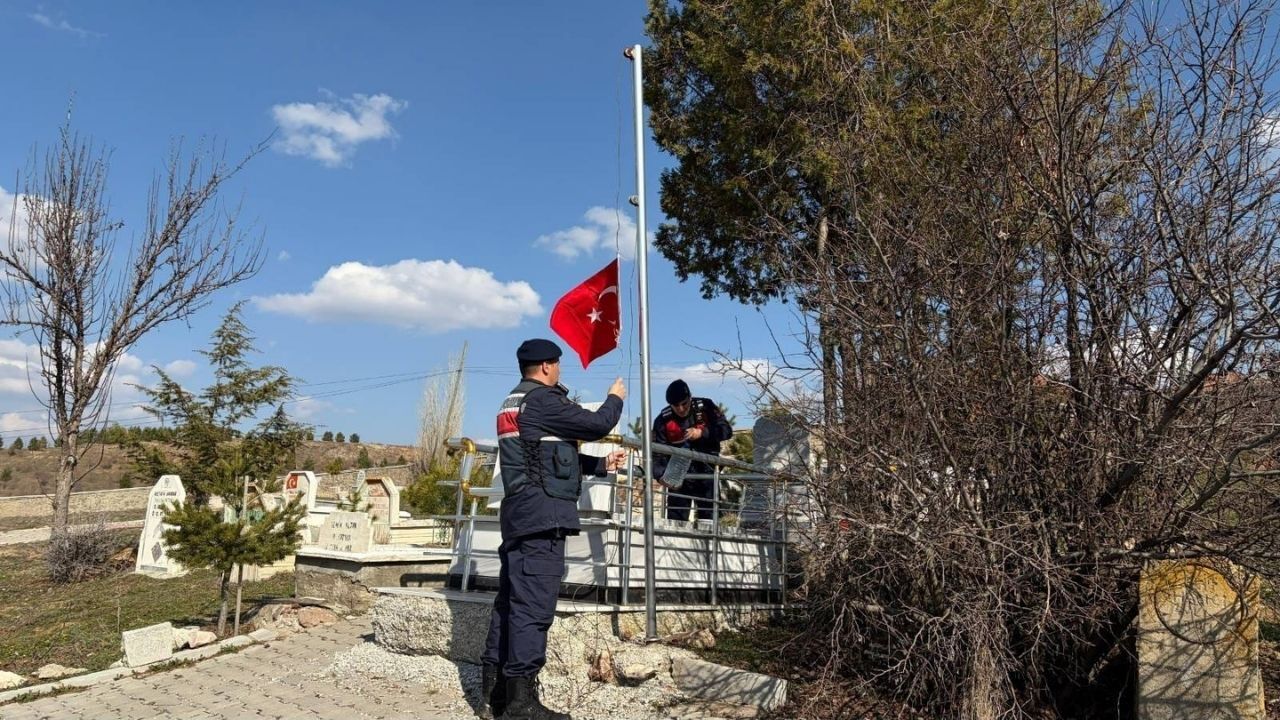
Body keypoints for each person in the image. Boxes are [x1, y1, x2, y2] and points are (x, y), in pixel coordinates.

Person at [480, 338, 626, 720]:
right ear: (547, 366)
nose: (560, 371)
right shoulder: (543, 400)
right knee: (533, 609)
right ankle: (521, 705)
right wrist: (615, 398)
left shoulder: (512, 401)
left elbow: (543, 457)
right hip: (542, 519)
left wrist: (600, 465)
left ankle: (494, 694)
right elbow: (597, 424)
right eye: (558, 364)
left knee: (509, 606)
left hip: (520, 516)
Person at [651, 379, 733, 522]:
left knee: (709, 521)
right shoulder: (663, 420)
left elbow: (726, 430)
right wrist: (660, 475)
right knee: (675, 523)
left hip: (706, 472)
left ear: (690, 397)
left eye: (684, 403)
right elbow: (656, 453)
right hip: (677, 476)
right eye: (676, 406)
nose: (681, 409)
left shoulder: (706, 408)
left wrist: (703, 433)